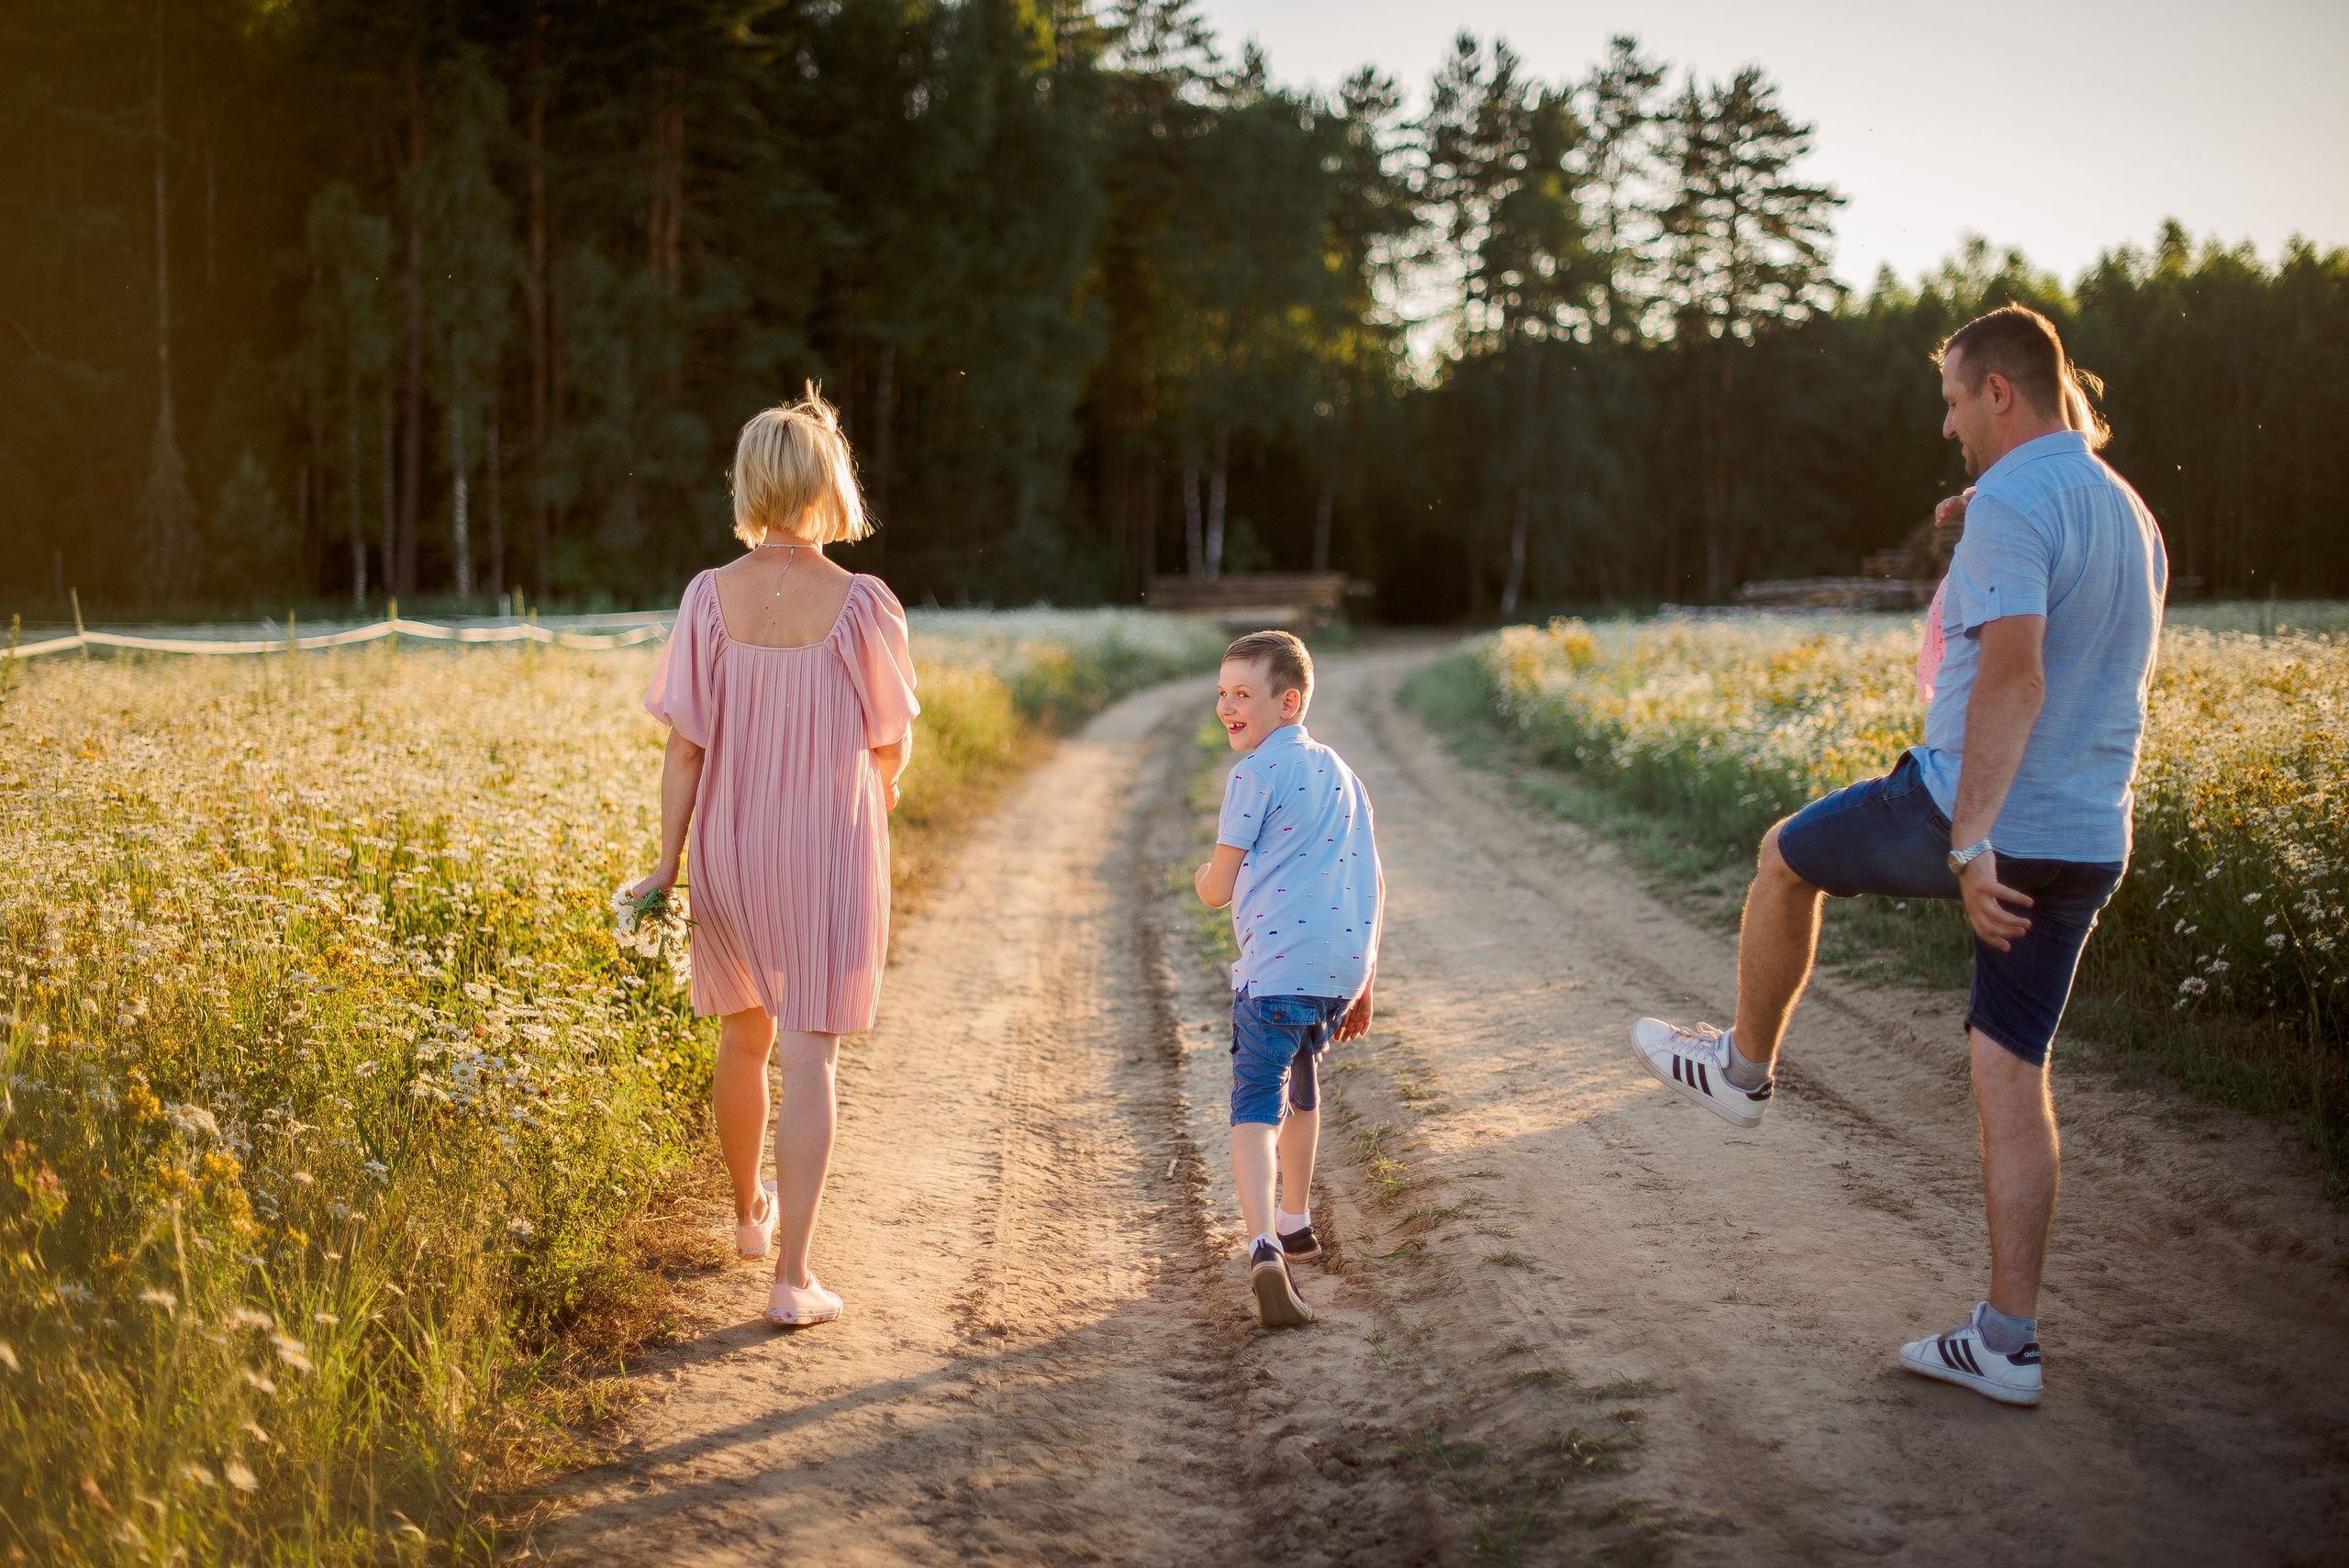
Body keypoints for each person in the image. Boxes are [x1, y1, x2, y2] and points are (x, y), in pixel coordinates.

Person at [1627, 305, 2166, 1407]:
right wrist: (1984, 508)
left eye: (1955, 400)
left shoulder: (2016, 500)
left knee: (1784, 854)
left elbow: (2015, 677)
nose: (1946, 423)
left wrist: (1967, 840)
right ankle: (2006, 1341)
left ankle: (1739, 1072)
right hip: (2086, 837)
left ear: (2000, 394)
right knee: (2013, 1072)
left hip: (1974, 816)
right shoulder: (2128, 510)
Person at [631, 385, 918, 1329]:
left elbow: (684, 747)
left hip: (729, 841)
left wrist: (667, 864)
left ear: (750, 483)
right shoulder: (864, 604)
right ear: (828, 486)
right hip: (824, 843)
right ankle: (792, 1277)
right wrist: (875, 787)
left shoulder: (707, 596)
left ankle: (748, 1215)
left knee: (741, 1035)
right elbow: (890, 741)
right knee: (811, 1055)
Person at [1195, 630, 1385, 1328]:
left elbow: (1218, 886)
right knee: (1304, 1088)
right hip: (1335, 972)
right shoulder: (1342, 772)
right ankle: (1297, 1218)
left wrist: (1201, 882)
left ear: (1289, 701)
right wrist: (1367, 978)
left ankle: (1263, 1244)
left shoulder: (1255, 774)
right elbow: (1375, 876)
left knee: (1255, 1106)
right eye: (1222, 692)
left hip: (1274, 971)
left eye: (1243, 693)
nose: (1226, 706)